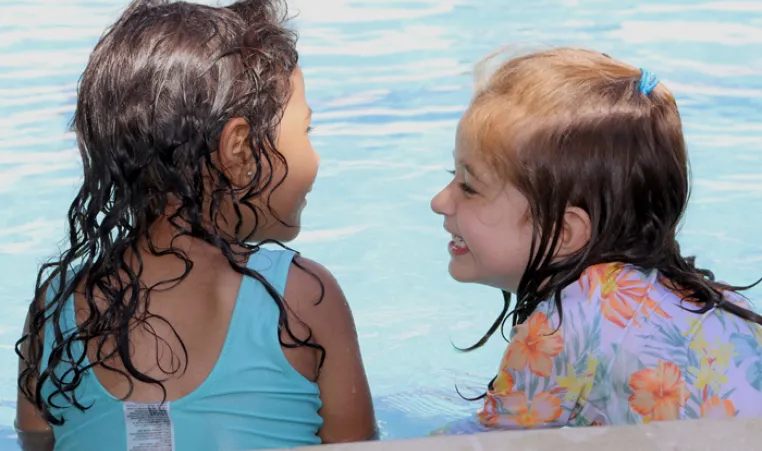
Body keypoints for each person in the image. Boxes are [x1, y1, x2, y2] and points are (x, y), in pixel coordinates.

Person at [14, 1, 376, 450]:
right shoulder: (303, 298)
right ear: (239, 149)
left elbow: (34, 441)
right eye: (306, 131)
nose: (315, 157)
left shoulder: (58, 306)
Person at [430, 47, 762, 431]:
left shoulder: (565, 323)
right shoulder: (716, 304)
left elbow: (483, 443)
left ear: (565, 232)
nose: (440, 201)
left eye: (468, 187)